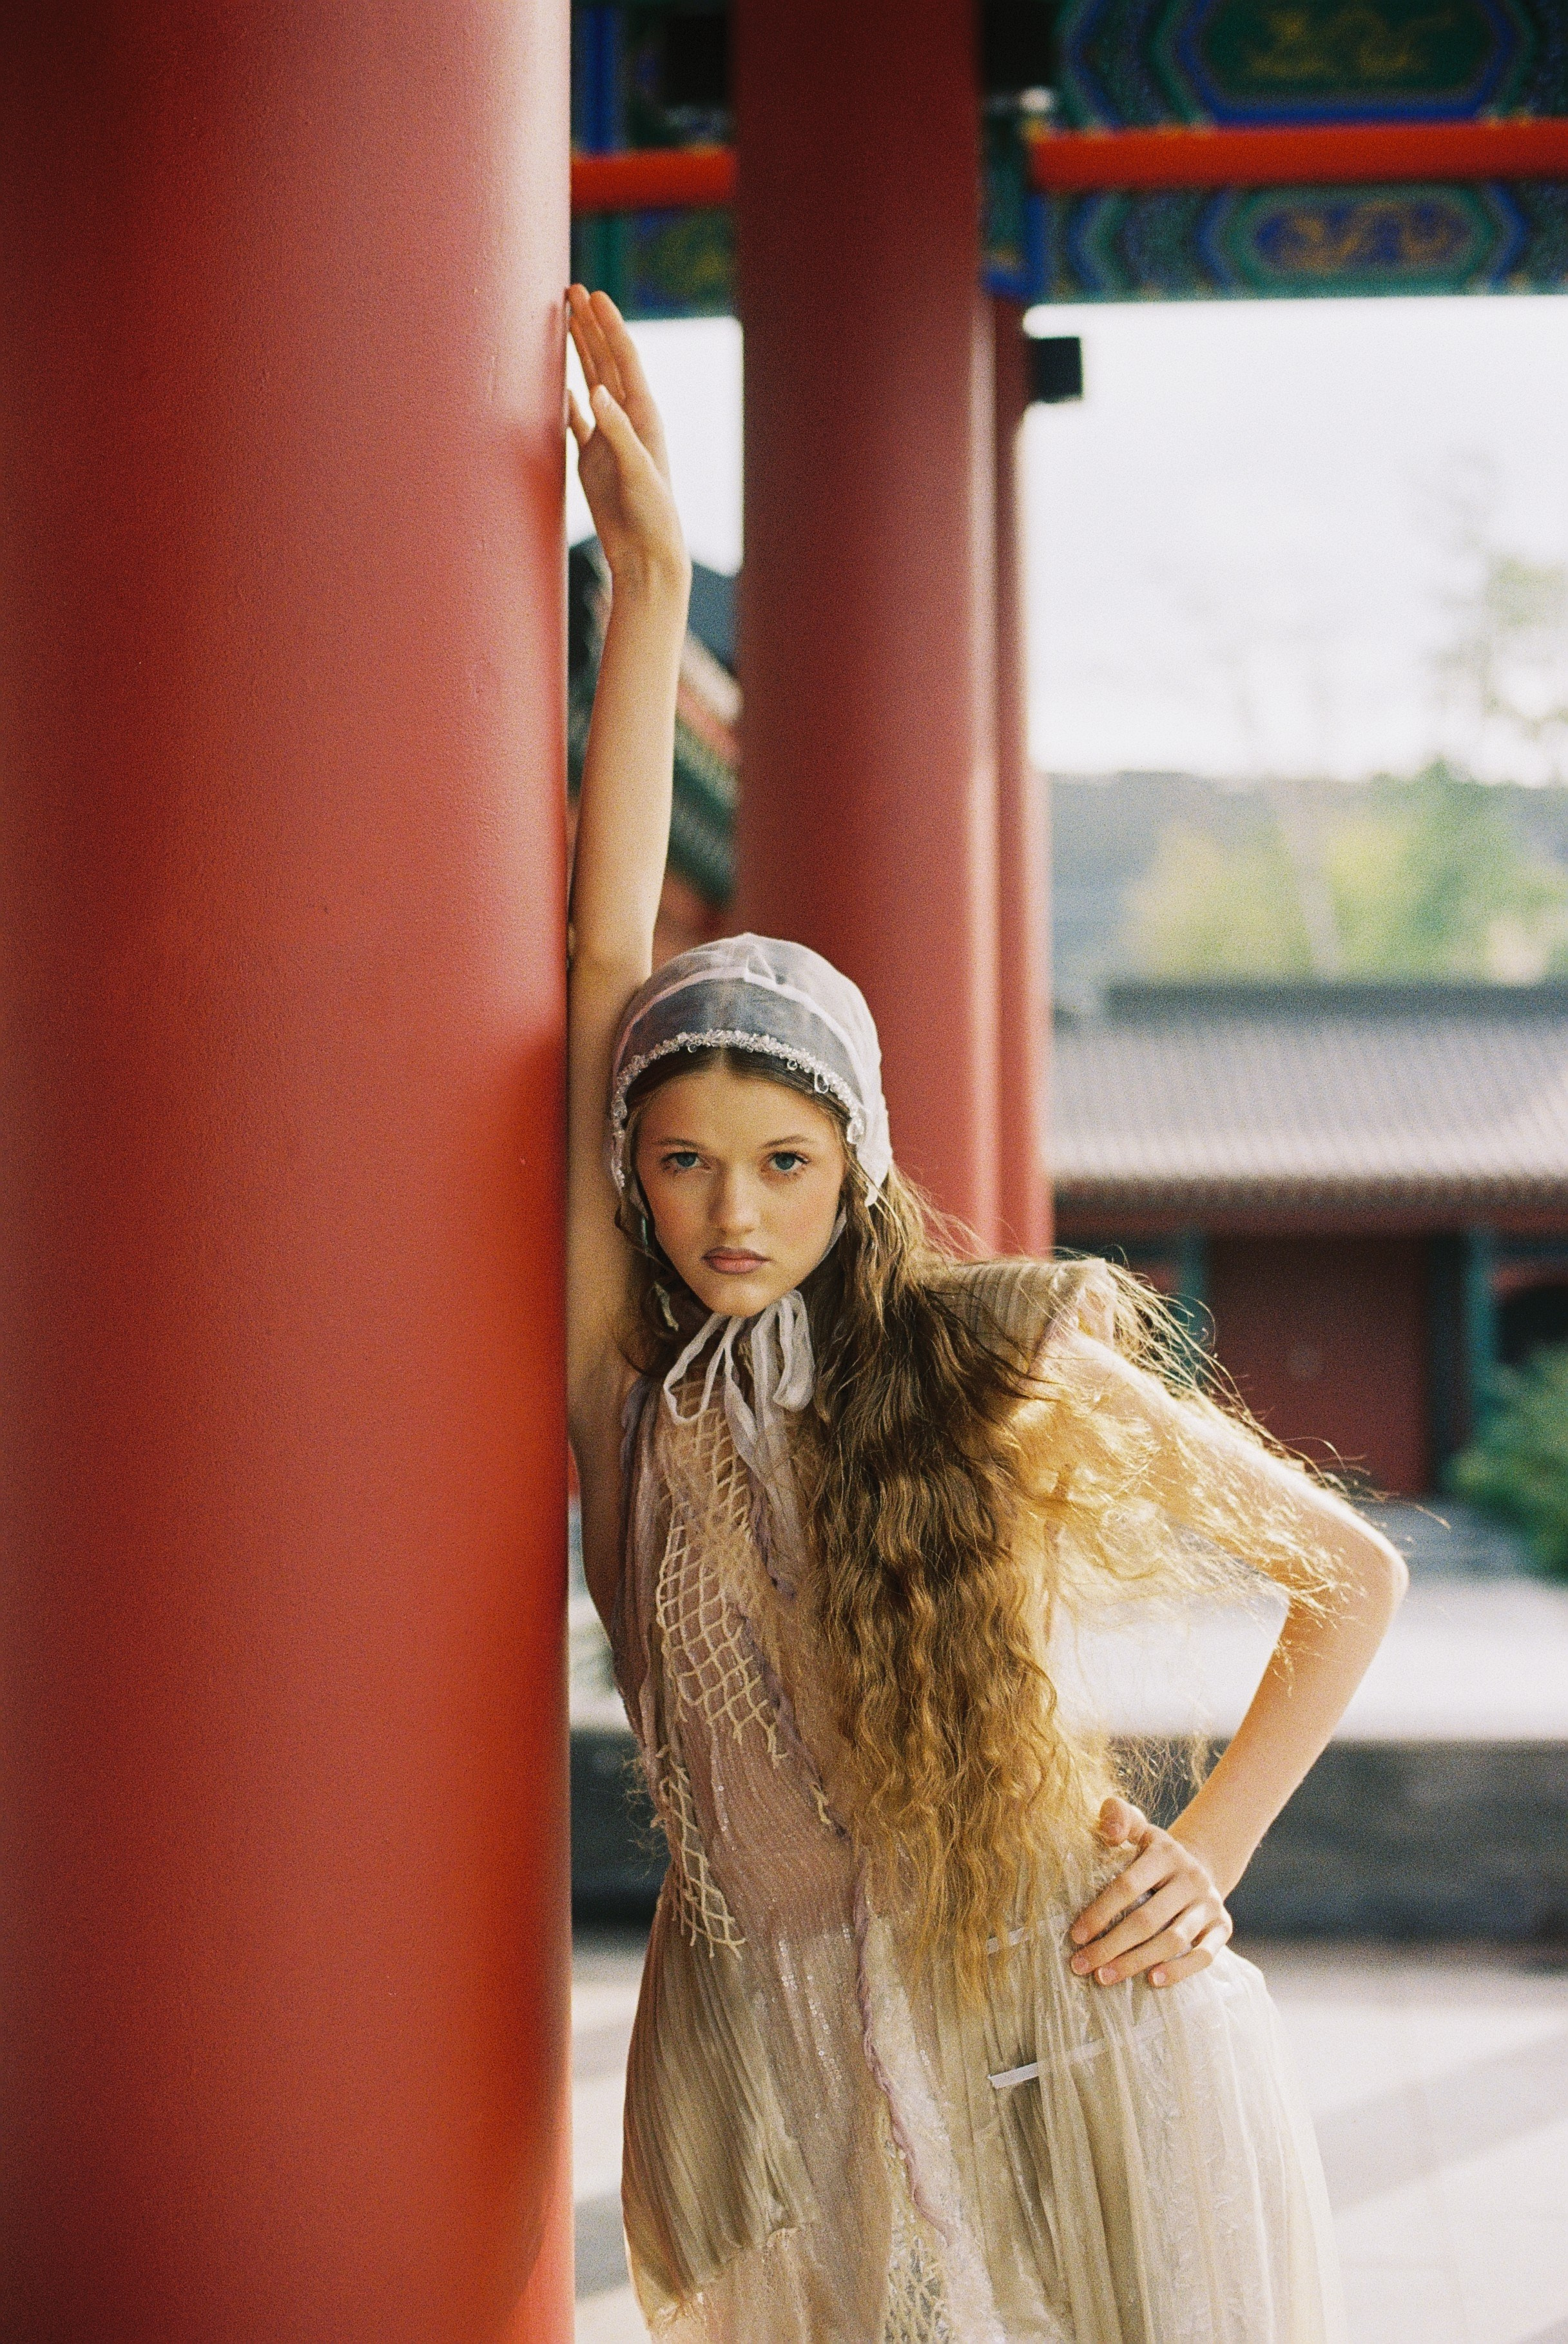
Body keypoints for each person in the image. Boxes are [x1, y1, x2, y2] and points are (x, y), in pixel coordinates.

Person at [563, 283, 1406, 2344]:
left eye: (781, 1160)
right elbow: (594, 970)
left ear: (854, 1165)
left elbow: (1348, 1574)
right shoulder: (629, 1391)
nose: (728, 1208)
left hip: (1060, 2002)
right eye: (681, 1162)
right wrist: (650, 582)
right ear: (630, 1176)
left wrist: (1208, 1852)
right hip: (771, 2040)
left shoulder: (979, 1353)